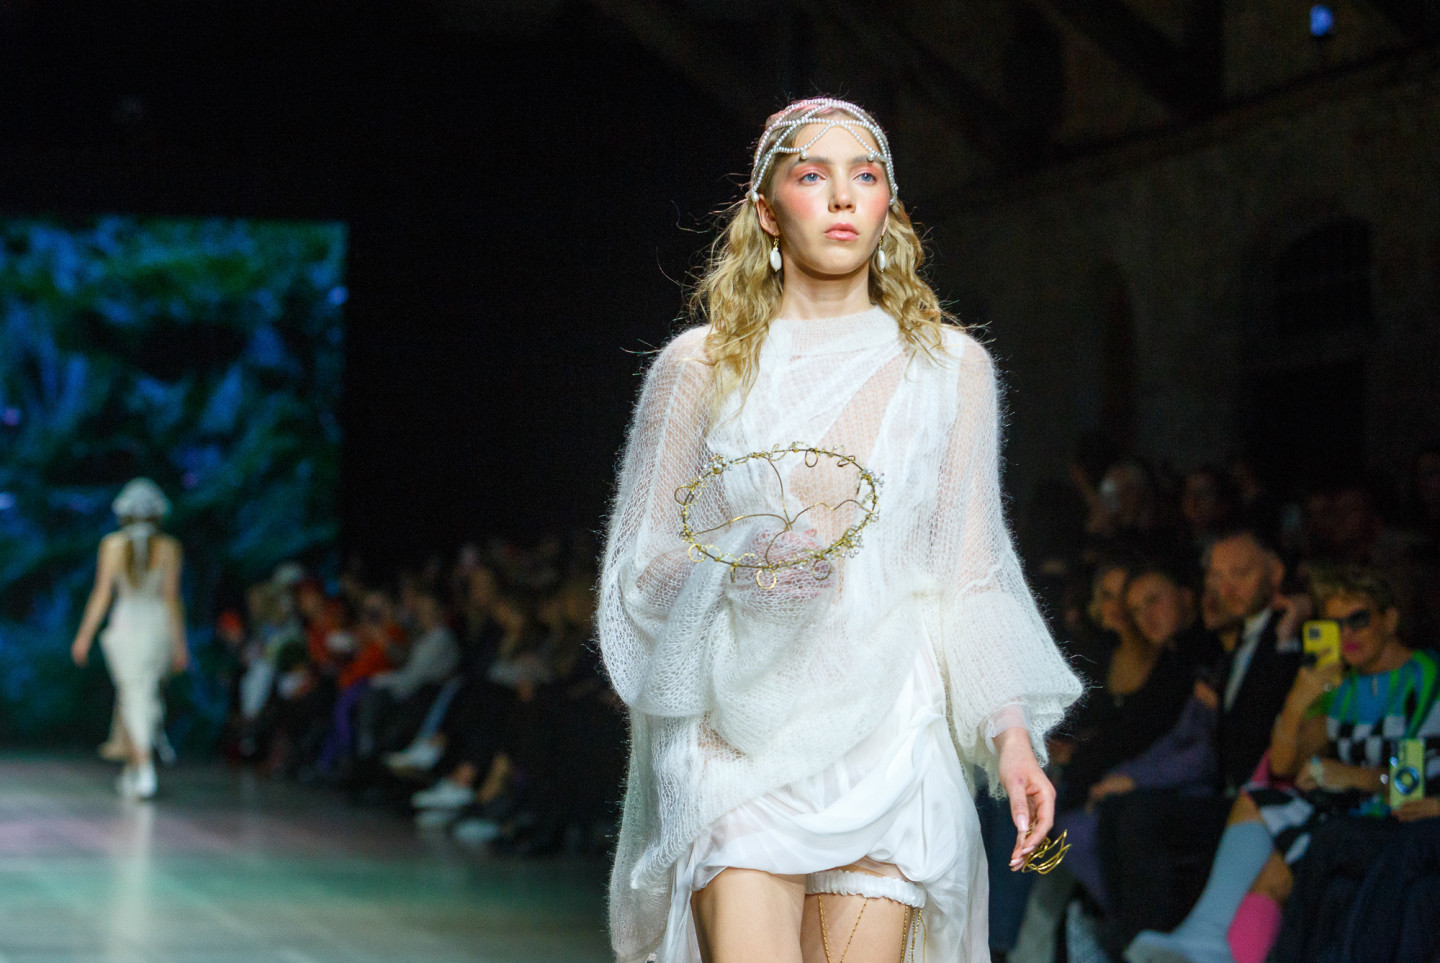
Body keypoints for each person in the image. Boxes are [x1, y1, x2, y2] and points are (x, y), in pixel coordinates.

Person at [598, 97, 1082, 963]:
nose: (842, 196)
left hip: (888, 734)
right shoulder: (698, 366)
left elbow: (970, 570)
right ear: (766, 209)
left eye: (865, 175)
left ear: (889, 204)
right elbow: (644, 565)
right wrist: (741, 566)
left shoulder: (951, 368)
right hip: (735, 740)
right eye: (812, 175)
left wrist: (1011, 735)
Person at [1126, 565, 1440, 963]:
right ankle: (1205, 935)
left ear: (1390, 619)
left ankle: (1208, 940)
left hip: (1399, 820)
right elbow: (1283, 763)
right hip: (1351, 809)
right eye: (1334, 625)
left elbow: (1407, 789)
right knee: (1257, 800)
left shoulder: (1424, 678)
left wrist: (1349, 776)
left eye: (1358, 620)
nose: (1347, 634)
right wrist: (1299, 699)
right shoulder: (1344, 684)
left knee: (1278, 870)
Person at [70, 478, 188, 799]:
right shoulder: (168, 548)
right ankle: (137, 767)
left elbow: (102, 595)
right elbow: (171, 600)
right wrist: (180, 644)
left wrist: (84, 636)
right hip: (155, 628)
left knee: (134, 696)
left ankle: (142, 767)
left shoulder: (112, 545)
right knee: (142, 696)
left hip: (126, 627)